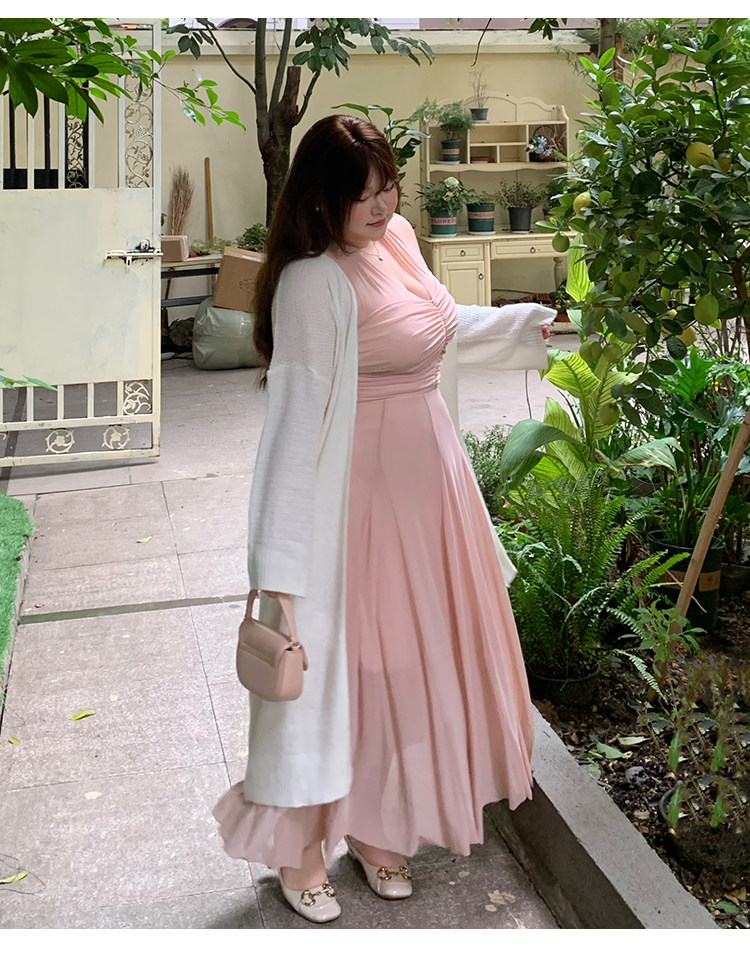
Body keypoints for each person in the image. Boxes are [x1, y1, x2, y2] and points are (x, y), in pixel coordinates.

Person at [213, 114, 556, 924]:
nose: (380, 204)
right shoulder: (311, 282)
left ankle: (376, 826)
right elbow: (294, 425)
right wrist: (278, 564)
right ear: (320, 198)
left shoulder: (397, 240)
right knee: (339, 674)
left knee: (403, 667)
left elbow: (434, 330)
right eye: (360, 194)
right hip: (353, 503)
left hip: (429, 489)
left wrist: (527, 322)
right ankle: (299, 851)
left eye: (387, 186)